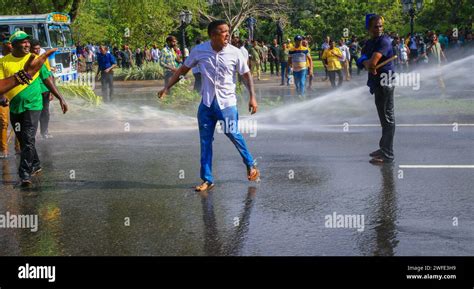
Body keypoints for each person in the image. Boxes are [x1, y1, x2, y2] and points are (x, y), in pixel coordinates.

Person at [157, 20, 260, 192]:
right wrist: (167, 87)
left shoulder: (235, 53)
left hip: (227, 104)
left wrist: (252, 98)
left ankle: (250, 164)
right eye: (223, 32)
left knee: (233, 134)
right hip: (206, 104)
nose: (228, 35)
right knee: (205, 141)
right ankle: (207, 179)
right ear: (213, 35)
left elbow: (246, 75)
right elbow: (183, 69)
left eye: (228, 31)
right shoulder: (199, 51)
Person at [0, 31, 68, 186]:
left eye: (27, 42)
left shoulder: (36, 60)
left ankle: (24, 174)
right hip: (15, 107)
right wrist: (1, 98)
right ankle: (36, 163)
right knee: (23, 139)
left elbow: (47, 79)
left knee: (29, 137)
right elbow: (1, 83)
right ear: (13, 45)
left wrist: (60, 97)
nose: (27, 44)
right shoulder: (3, 62)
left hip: (34, 105)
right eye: (23, 42)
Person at [357, 15, 396, 164]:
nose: (379, 29)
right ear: (369, 28)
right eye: (375, 26)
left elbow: (371, 63)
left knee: (388, 118)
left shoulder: (384, 41)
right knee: (383, 119)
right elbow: (361, 60)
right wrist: (365, 62)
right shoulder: (369, 42)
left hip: (385, 82)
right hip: (377, 82)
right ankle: (383, 148)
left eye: (380, 26)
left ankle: (388, 154)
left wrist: (366, 63)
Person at [30, 39, 56, 139]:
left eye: (38, 49)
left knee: (45, 112)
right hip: (34, 91)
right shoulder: (27, 60)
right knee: (34, 113)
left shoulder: (43, 58)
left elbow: (49, 74)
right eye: (35, 49)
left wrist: (51, 92)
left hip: (44, 89)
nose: (37, 51)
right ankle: (32, 134)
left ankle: (44, 132)